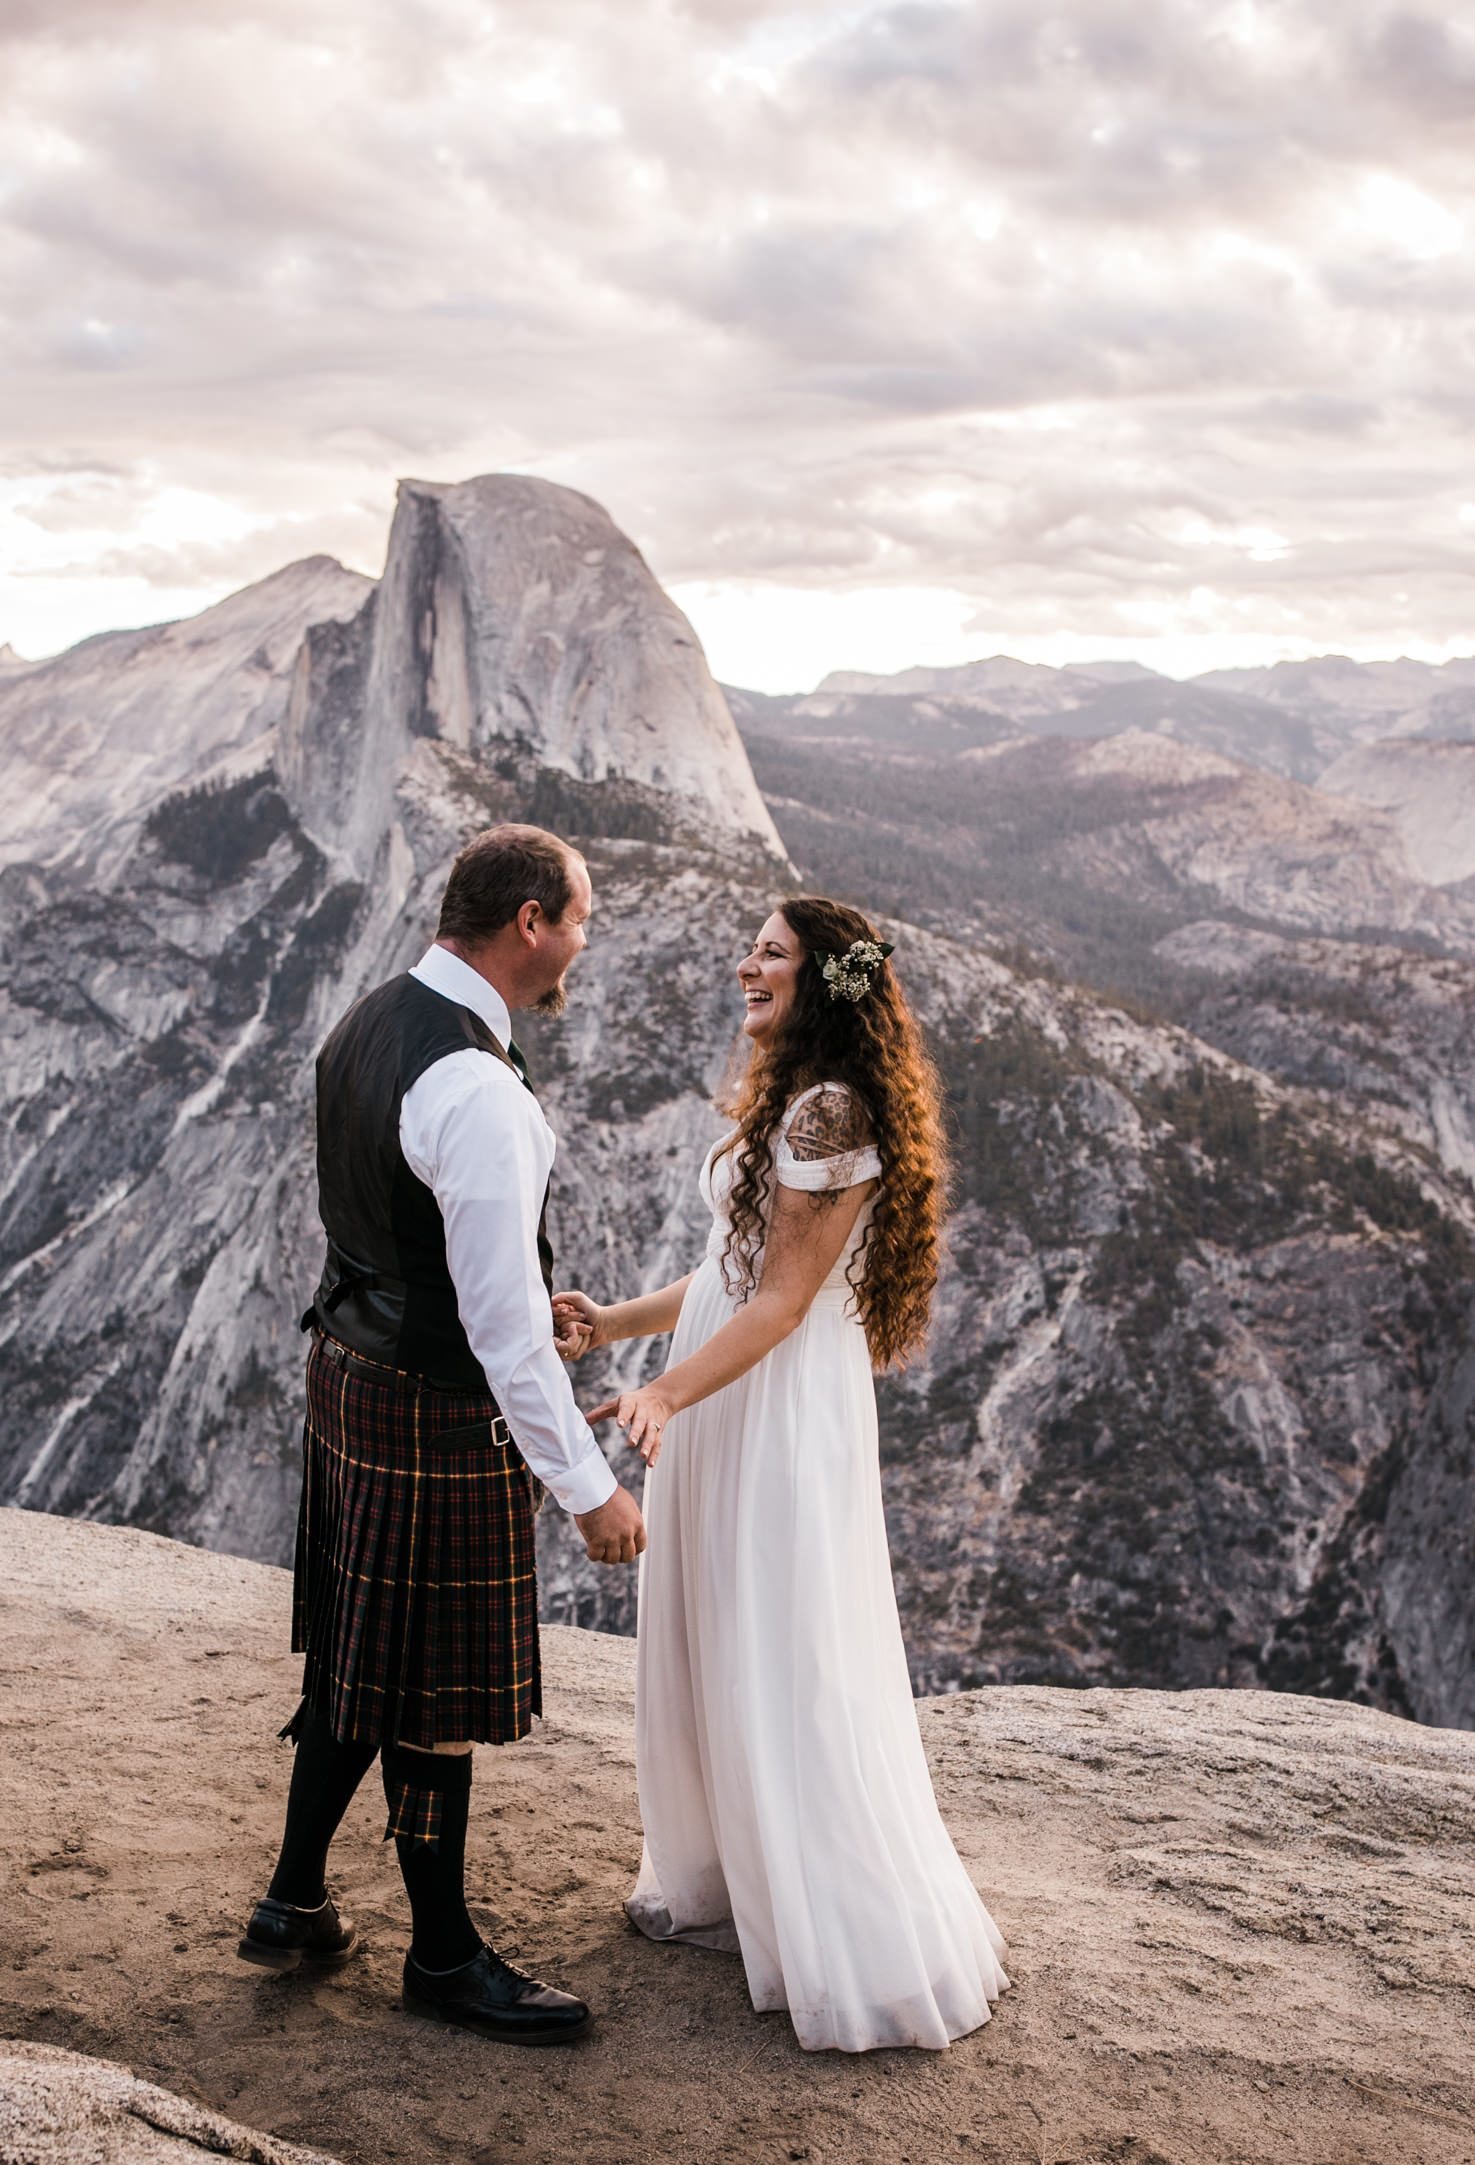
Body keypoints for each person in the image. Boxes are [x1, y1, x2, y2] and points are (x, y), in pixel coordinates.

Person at [553, 897, 1006, 2053]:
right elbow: (722, 1272)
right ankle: (737, 1872)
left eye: (771, 952)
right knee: (719, 1627)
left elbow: (782, 1304)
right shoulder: (794, 1102)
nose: (745, 963)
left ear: (823, 985)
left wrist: (662, 1392)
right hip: (728, 1394)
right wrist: (614, 1327)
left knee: (775, 1638)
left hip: (763, 1408)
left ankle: (825, 1921)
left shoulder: (826, 1112)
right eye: (750, 946)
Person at [239, 823, 645, 2043]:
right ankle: (444, 1956)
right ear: (529, 923)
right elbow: (503, 1329)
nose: (583, 940)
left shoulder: (371, 1016)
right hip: (434, 1405)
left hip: (353, 1370)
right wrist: (586, 1486)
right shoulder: (475, 1088)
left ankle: (294, 1900)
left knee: (363, 1651)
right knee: (429, 1691)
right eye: (577, 918)